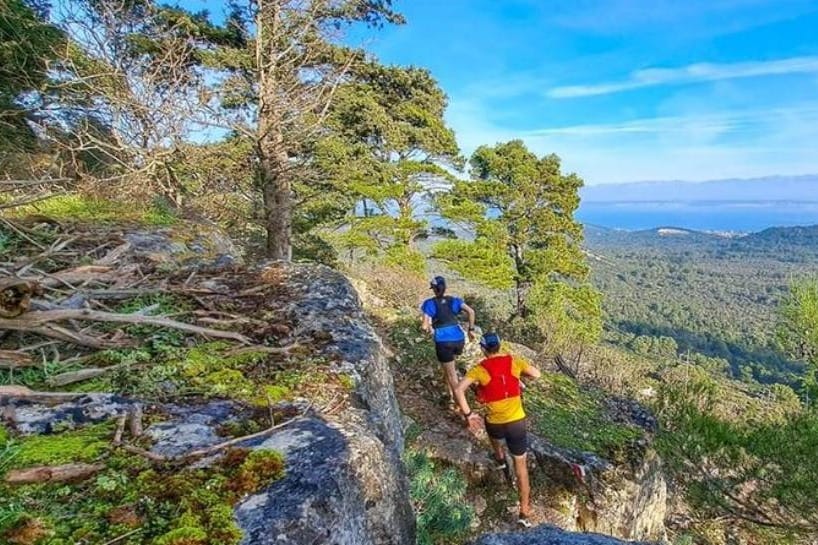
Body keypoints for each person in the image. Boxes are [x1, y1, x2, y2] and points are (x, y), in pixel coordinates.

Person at [453, 332, 541, 527]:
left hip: (495, 423)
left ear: (483, 349)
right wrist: (519, 376)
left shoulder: (479, 369)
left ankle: (500, 459)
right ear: (499, 347)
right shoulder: (514, 361)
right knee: (521, 469)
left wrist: (469, 415)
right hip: (516, 423)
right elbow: (536, 374)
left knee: (492, 429)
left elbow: (459, 389)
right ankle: (524, 512)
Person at [420, 276, 476, 407]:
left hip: (443, 342)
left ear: (433, 289)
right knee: (449, 368)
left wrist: (428, 329)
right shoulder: (454, 300)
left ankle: (459, 404)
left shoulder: (429, 304)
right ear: (445, 288)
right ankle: (450, 394)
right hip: (459, 339)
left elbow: (424, 326)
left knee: (452, 375)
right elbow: (471, 312)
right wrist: (471, 329)